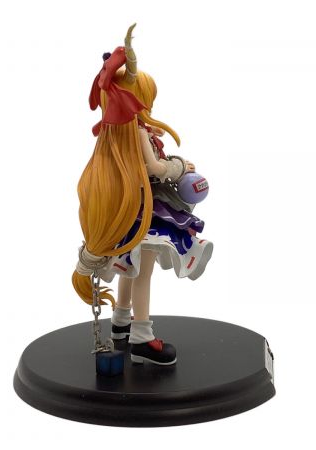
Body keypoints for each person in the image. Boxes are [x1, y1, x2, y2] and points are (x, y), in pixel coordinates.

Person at [73, 24, 213, 365]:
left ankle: (121, 321)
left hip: (129, 210)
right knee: (143, 272)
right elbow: (154, 169)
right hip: (145, 212)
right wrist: (179, 166)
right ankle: (141, 338)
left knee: (130, 267)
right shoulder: (135, 133)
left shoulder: (114, 135)